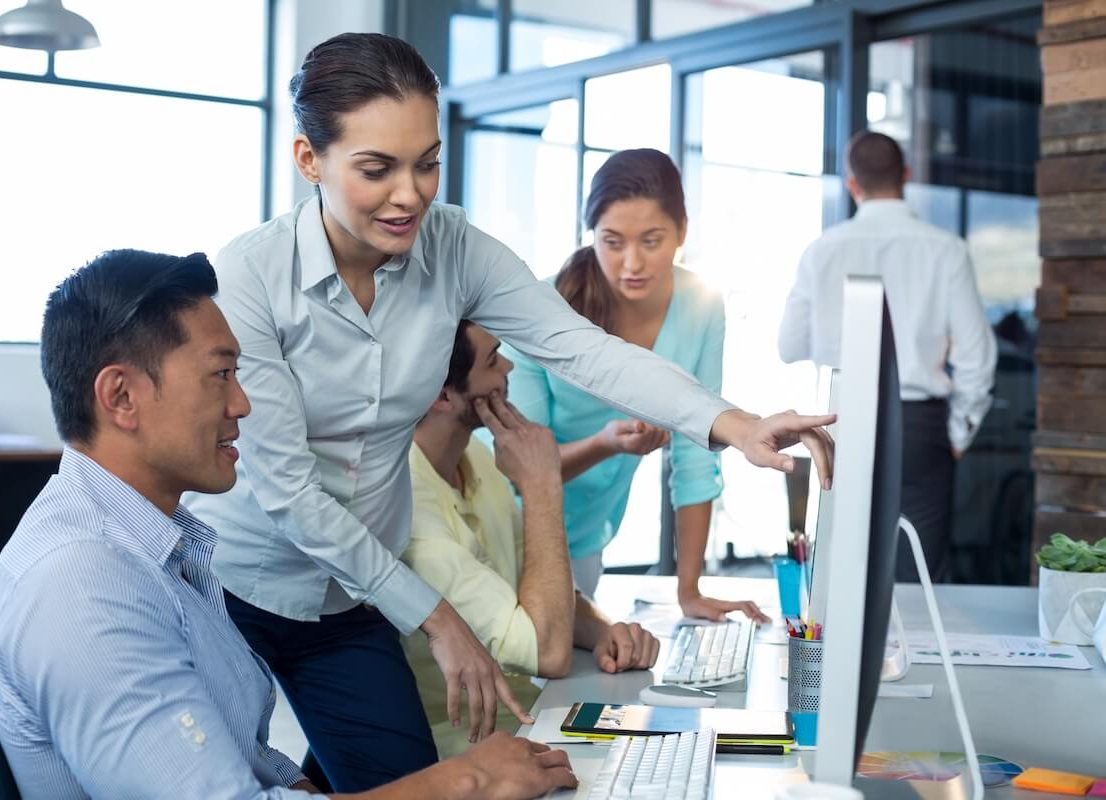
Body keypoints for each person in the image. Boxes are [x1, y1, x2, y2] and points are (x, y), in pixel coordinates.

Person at [185, 33, 833, 791]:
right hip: (242, 585)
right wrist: (437, 618)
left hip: (353, 595)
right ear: (309, 160)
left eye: (427, 162)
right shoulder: (251, 277)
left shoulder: (454, 248)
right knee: (227, 783)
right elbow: (292, 494)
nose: (411, 193)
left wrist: (735, 424)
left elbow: (582, 348)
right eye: (377, 168)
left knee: (398, 773)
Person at [0, 249, 577, 800]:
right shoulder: (83, 586)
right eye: (221, 375)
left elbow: (251, 763)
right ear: (122, 397)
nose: (242, 405)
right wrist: (466, 780)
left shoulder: (158, 546)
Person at [499, 148, 770, 619]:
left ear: (682, 232)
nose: (632, 263)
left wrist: (690, 592)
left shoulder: (701, 306)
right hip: (504, 524)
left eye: (652, 240)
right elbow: (522, 468)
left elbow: (695, 456)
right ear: (592, 236)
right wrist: (606, 444)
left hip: (586, 535)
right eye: (613, 241)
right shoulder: (542, 309)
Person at [403, 321, 661, 757]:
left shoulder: (473, 455)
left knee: (670, 746)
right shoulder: (409, 506)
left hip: (529, 715)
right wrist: (542, 482)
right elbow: (548, 653)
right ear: (442, 395)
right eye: (492, 361)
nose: (507, 367)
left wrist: (602, 631)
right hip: (465, 745)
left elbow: (542, 588)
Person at [778, 131, 996, 581]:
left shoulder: (821, 251)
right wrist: (959, 432)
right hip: (919, 426)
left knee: (843, 569)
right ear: (907, 176)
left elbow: (790, 346)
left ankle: (839, 655)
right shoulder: (946, 249)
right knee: (915, 572)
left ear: (852, 183)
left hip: (840, 419)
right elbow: (977, 356)